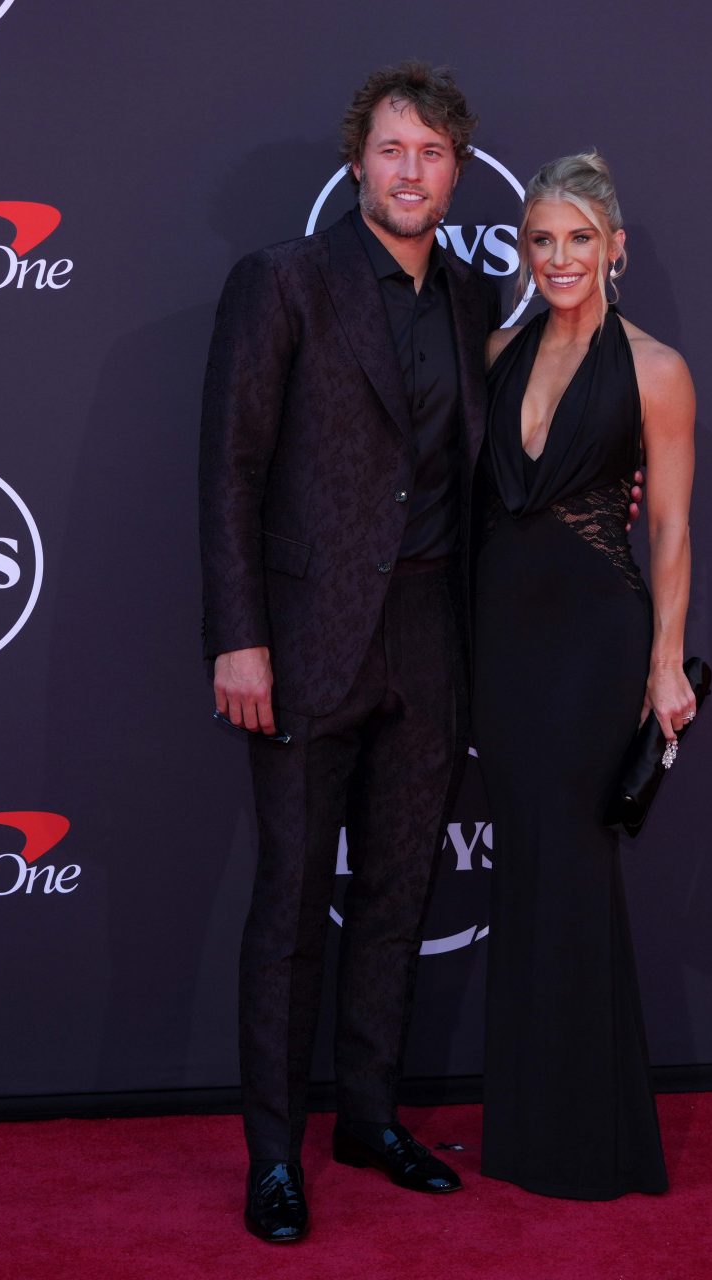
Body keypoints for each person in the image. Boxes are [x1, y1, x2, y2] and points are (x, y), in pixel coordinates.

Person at [197, 61, 504, 1244]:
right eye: (391, 150)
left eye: (431, 153)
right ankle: (274, 1154)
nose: (410, 171)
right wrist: (240, 635)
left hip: (431, 639)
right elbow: (230, 469)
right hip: (304, 641)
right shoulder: (283, 283)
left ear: (458, 173)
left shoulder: (477, 303)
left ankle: (368, 1117)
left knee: (396, 895)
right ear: (358, 163)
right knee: (287, 906)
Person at [473, 151, 697, 1200]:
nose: (559, 257)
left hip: (594, 642)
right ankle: (526, 1125)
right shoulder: (500, 350)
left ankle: (591, 1136)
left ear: (616, 247)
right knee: (527, 868)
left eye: (578, 238)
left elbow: (670, 525)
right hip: (504, 645)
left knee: (572, 868)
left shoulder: (655, 367)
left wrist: (664, 667)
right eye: (541, 239)